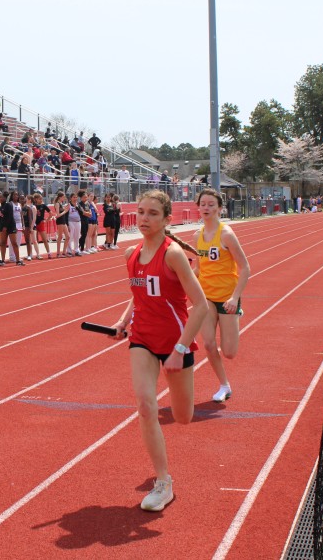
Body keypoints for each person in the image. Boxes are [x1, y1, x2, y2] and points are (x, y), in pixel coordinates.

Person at [108, 190, 208, 511]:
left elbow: (201, 306)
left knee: (183, 417)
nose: (144, 218)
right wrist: (123, 322)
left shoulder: (173, 255)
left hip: (176, 341)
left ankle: (164, 476)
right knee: (146, 406)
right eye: (141, 212)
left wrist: (180, 349)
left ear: (167, 220)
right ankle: (163, 482)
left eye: (152, 213)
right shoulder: (131, 254)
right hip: (143, 340)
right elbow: (139, 294)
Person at [193, 189, 251, 402]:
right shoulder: (196, 236)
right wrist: (182, 276)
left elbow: (245, 268)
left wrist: (235, 298)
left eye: (211, 204)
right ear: (198, 207)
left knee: (229, 352)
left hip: (227, 297)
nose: (206, 208)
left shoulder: (226, 234)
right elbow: (198, 269)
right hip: (206, 296)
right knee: (208, 344)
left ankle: (237, 313)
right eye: (203, 204)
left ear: (219, 208)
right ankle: (224, 385)